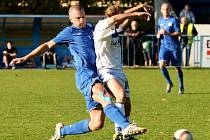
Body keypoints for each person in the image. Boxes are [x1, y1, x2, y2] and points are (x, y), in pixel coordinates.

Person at [11, 5, 147, 140]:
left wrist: (136, 11)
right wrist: (25, 57)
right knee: (107, 99)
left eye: (83, 16)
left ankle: (62, 131)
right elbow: (47, 45)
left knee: (96, 123)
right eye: (78, 18)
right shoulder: (68, 32)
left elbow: (116, 20)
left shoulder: (92, 28)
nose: (81, 20)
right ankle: (125, 128)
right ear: (71, 19)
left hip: (99, 75)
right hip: (86, 76)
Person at [93, 3, 151, 140]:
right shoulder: (101, 26)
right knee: (120, 94)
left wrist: (140, 6)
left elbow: (124, 16)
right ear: (110, 16)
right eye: (117, 16)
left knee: (127, 105)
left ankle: (126, 135)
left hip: (118, 70)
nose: (120, 19)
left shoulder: (115, 27)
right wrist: (136, 14)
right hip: (105, 70)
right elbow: (119, 18)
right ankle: (120, 132)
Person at [156, 3, 184, 95]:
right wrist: (158, 34)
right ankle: (169, 83)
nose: (165, 11)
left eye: (167, 9)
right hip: (164, 46)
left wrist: (167, 33)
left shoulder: (174, 20)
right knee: (161, 65)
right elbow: (158, 30)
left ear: (169, 10)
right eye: (164, 9)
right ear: (161, 10)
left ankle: (181, 86)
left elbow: (179, 33)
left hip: (174, 47)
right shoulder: (160, 20)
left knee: (177, 68)